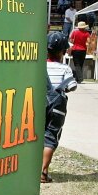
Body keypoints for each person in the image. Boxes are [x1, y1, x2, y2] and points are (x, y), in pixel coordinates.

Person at [42, 32, 77, 183]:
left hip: (39, 103)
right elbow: (72, 86)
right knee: (51, 137)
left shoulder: (40, 66)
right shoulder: (65, 69)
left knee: (36, 135)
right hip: (58, 108)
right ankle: (43, 172)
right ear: (63, 51)